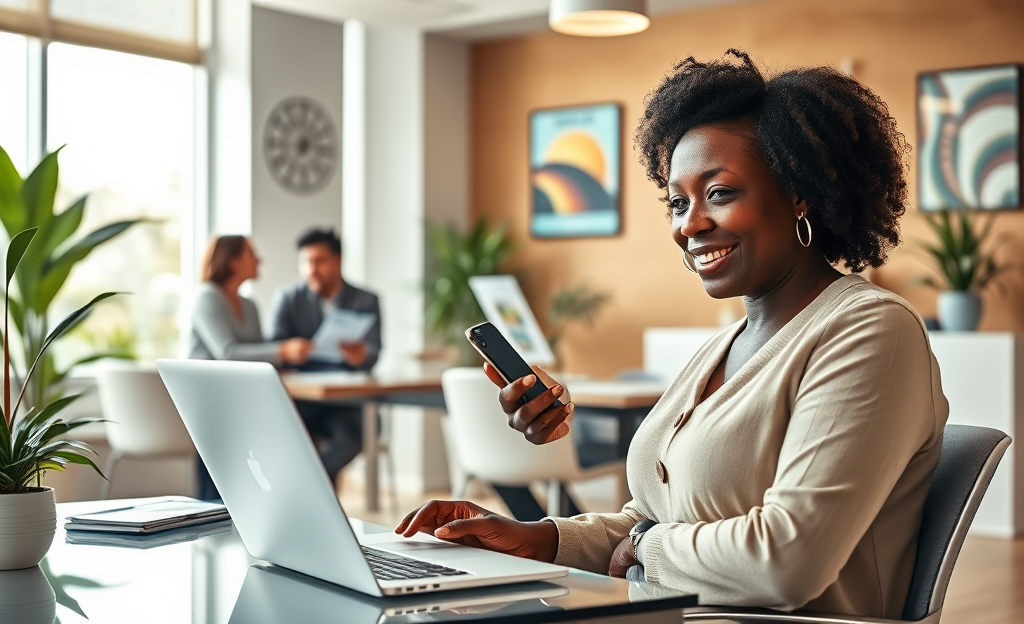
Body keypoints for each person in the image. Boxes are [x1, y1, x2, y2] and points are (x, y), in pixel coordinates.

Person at [396, 50, 949, 620]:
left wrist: (642, 549)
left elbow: (789, 559)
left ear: (799, 192)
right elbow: (657, 514)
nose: (689, 225)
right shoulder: (726, 344)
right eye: (678, 203)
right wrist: (537, 539)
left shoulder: (869, 331)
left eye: (720, 193)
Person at [189, 235, 313, 499]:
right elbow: (227, 353)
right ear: (233, 261)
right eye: (251, 253)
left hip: (239, 400)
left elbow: (256, 356)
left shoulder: (249, 305)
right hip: (209, 402)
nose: (260, 259)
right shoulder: (206, 297)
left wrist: (280, 364)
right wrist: (282, 351)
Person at [269, 228, 382, 488]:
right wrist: (290, 351)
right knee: (285, 436)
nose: (312, 270)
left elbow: (375, 351)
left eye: (319, 261)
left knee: (362, 430)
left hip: (347, 401)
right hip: (303, 400)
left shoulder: (366, 300)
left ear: (338, 260)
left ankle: (306, 487)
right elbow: (275, 348)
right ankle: (316, 493)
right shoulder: (288, 298)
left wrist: (362, 355)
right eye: (306, 262)